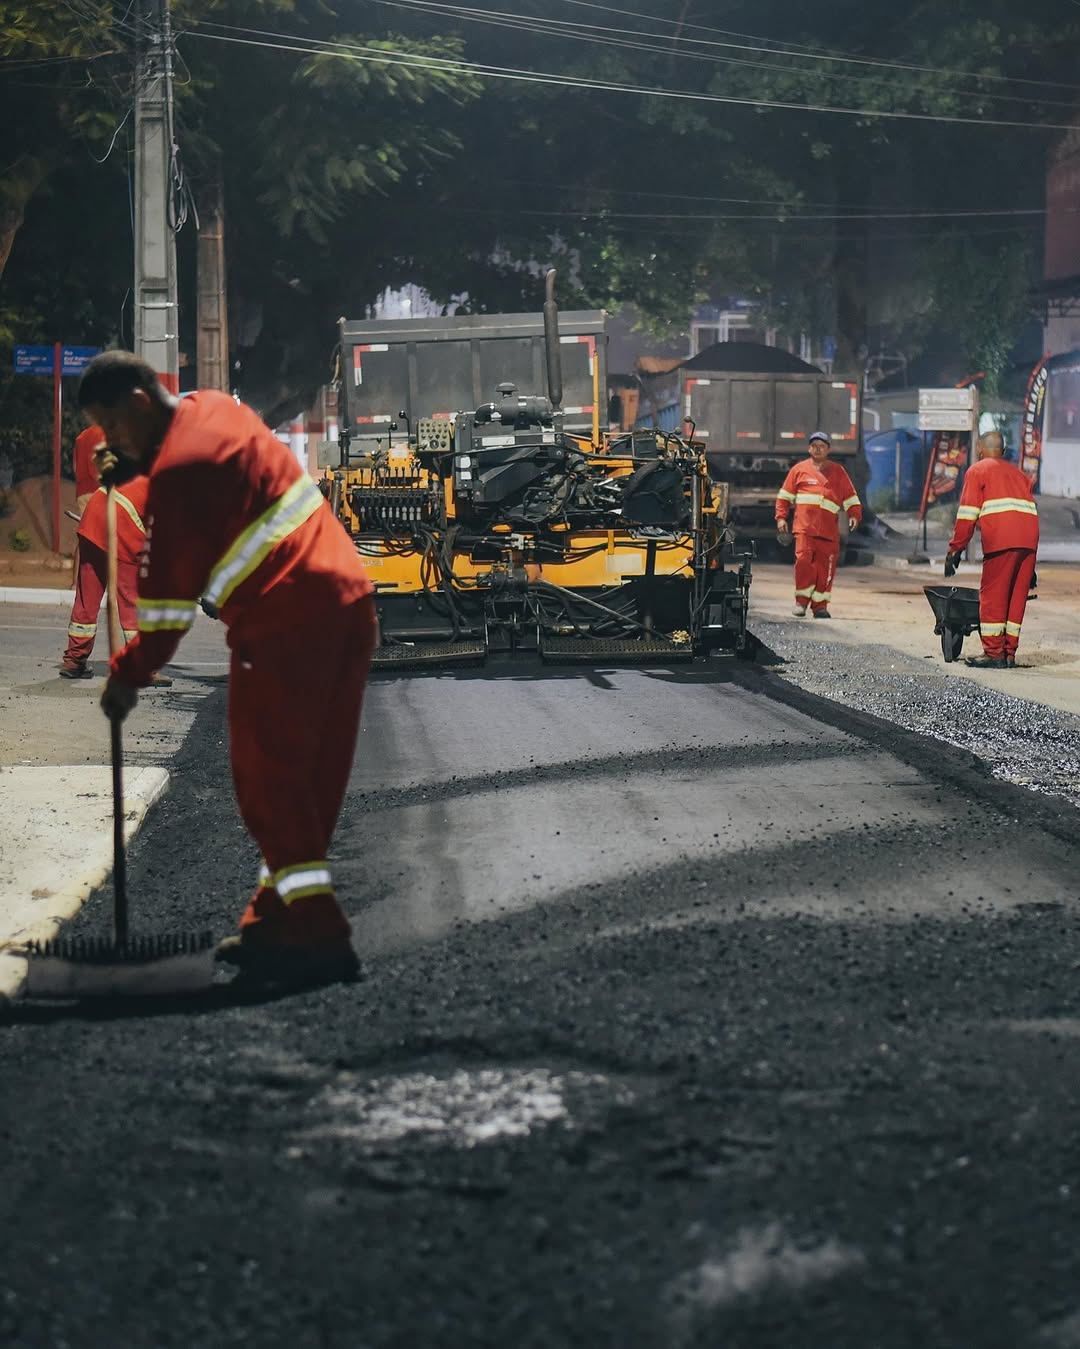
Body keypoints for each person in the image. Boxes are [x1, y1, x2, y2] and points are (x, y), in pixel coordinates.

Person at [78, 351, 377, 990]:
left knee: (269, 786)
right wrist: (135, 464)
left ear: (135, 402)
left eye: (110, 428)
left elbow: (161, 617)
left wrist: (125, 678)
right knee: (305, 785)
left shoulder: (180, 473)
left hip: (288, 622)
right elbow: (207, 475)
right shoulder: (215, 408)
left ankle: (321, 935)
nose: (109, 443)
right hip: (346, 600)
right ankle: (276, 925)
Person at [58, 475, 174, 686]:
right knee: (132, 602)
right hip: (121, 528)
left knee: (87, 599)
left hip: (93, 520)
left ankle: (74, 661)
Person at [944, 430, 1039, 670]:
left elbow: (967, 513)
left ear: (979, 450)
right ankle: (1008, 653)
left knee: (993, 597)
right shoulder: (1019, 475)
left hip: (1002, 539)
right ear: (1003, 451)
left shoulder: (977, 470)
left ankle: (994, 653)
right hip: (1028, 541)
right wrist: (1032, 565)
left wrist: (955, 549)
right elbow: (1028, 510)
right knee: (1016, 597)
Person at [775, 430, 862, 618]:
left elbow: (850, 497)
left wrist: (854, 514)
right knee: (804, 563)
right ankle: (801, 603)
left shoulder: (838, 472)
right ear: (809, 448)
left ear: (828, 449)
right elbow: (785, 496)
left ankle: (820, 606)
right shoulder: (799, 470)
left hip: (828, 532)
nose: (818, 449)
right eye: (814, 446)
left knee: (825, 569)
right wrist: (781, 517)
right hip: (804, 529)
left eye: (822, 446)